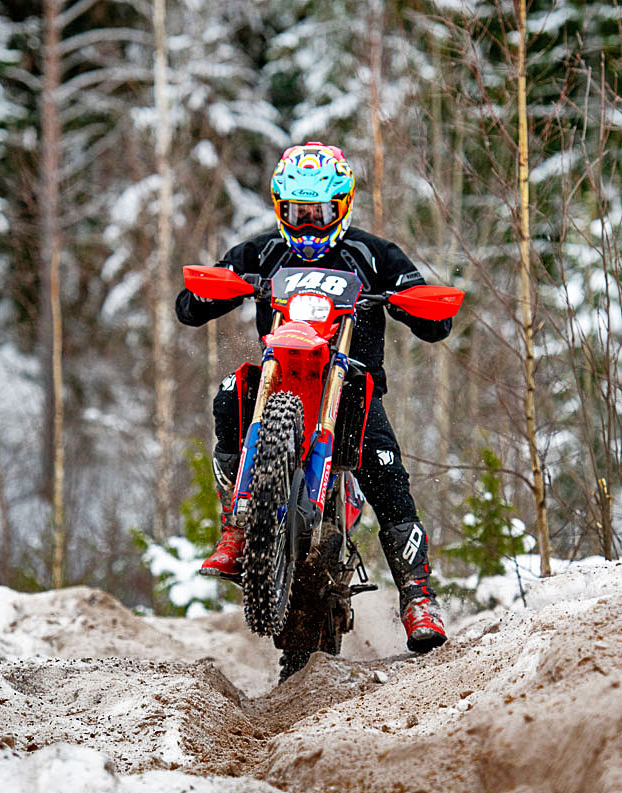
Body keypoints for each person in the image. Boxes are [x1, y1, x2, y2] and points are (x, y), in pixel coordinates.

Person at [175, 142, 450, 653]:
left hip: (351, 385)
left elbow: (437, 323)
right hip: (280, 377)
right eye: (296, 212)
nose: (307, 224)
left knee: (385, 468)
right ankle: (236, 527)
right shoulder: (264, 252)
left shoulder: (372, 253)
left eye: (318, 213)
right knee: (229, 396)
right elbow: (189, 307)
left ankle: (418, 596)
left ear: (341, 207)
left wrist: (407, 303)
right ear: (280, 208)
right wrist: (217, 289)